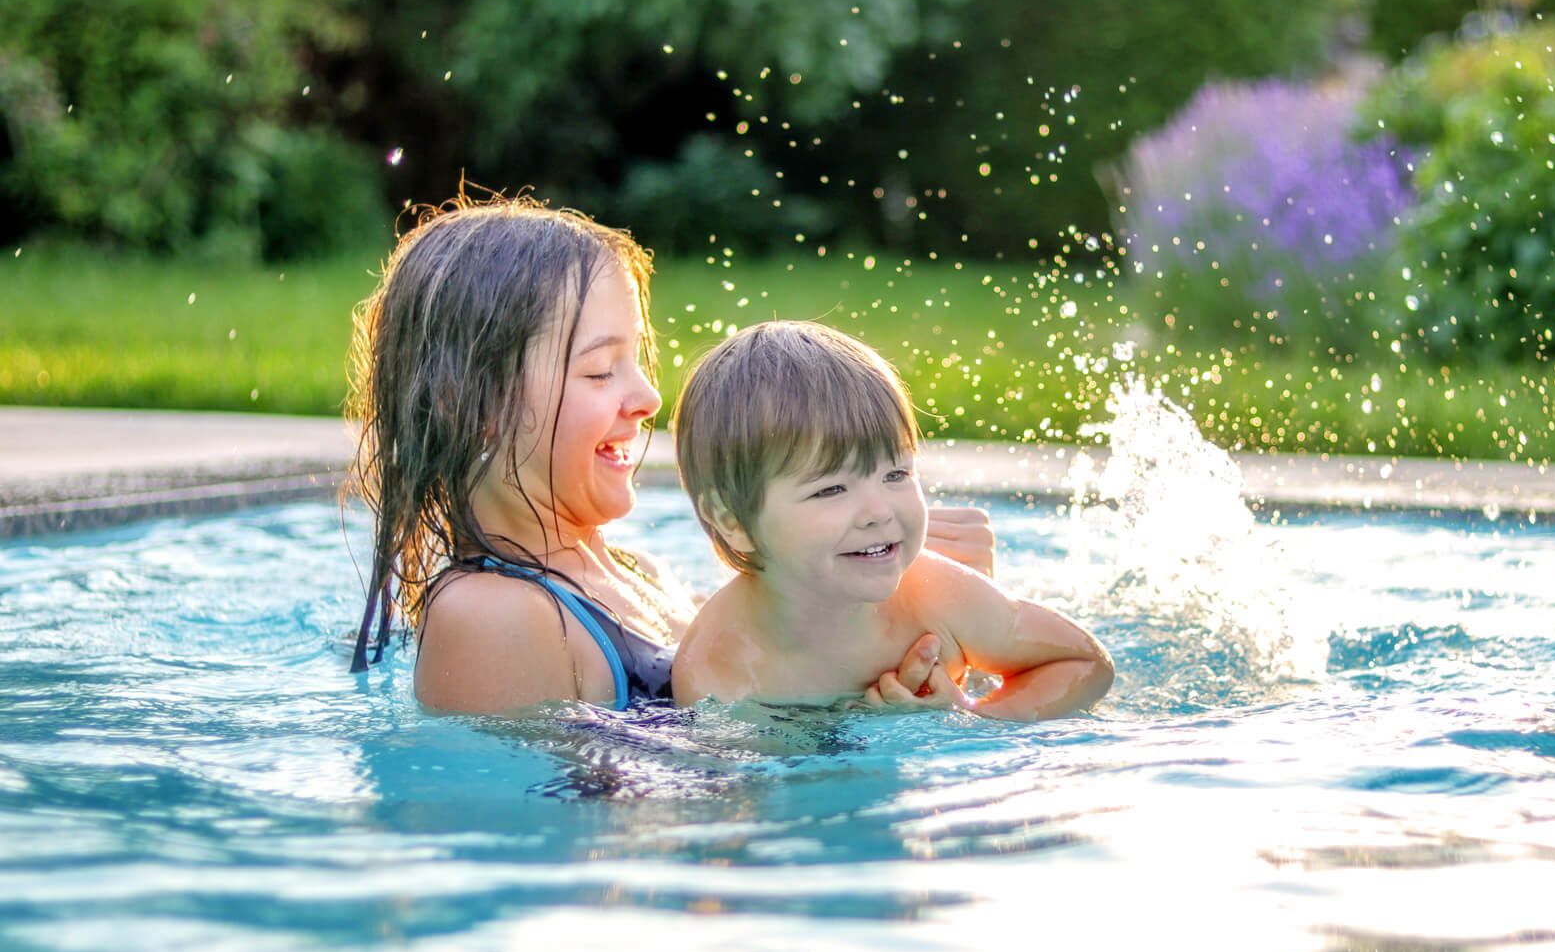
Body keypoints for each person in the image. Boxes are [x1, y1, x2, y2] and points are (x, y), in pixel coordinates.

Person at [346, 194, 992, 715]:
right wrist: (848, 725)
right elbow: (580, 837)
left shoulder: (639, 571)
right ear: (472, 405)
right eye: (601, 371)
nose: (649, 396)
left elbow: (748, 705)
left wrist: (903, 612)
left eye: (636, 360)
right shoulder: (488, 618)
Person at [669, 321, 1114, 721]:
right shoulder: (718, 669)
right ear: (732, 521)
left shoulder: (936, 599)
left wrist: (974, 715)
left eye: (897, 474)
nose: (880, 511)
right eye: (830, 489)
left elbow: (1086, 663)